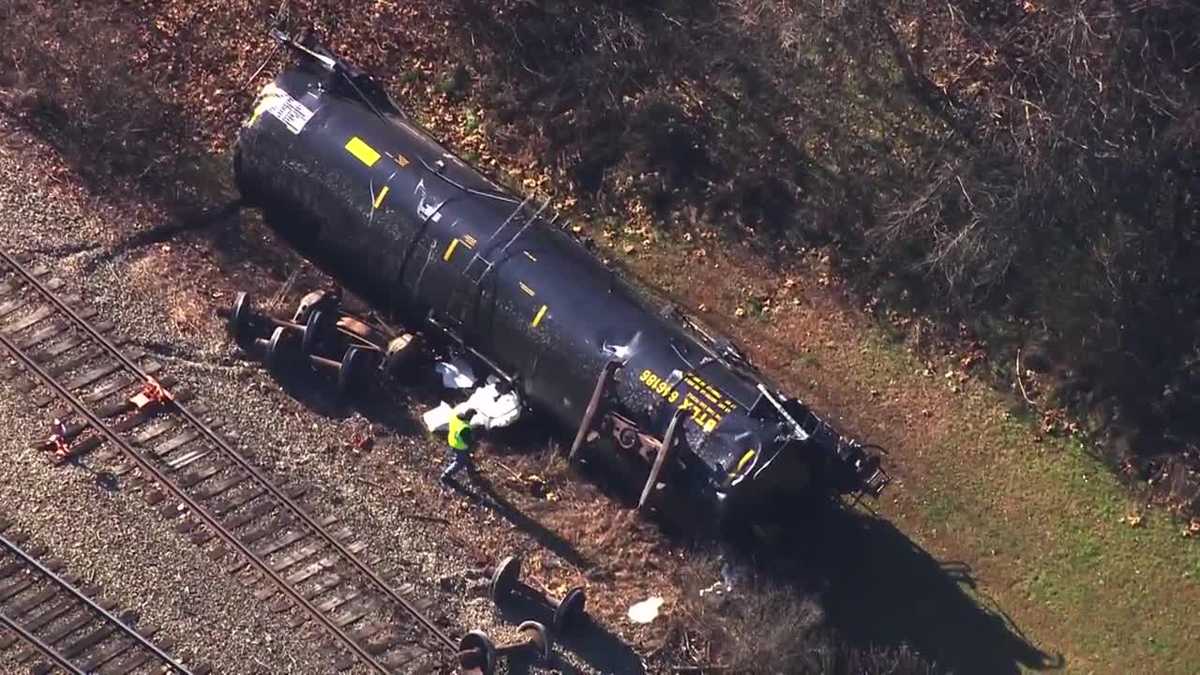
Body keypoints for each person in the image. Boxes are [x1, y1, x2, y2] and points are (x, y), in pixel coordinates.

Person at [441, 407, 478, 485]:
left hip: (452, 440)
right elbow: (468, 441)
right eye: (471, 416)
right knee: (460, 462)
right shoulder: (465, 428)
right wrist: (474, 445)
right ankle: (446, 475)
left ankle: (470, 466)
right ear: (469, 417)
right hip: (460, 446)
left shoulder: (456, 418)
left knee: (465, 456)